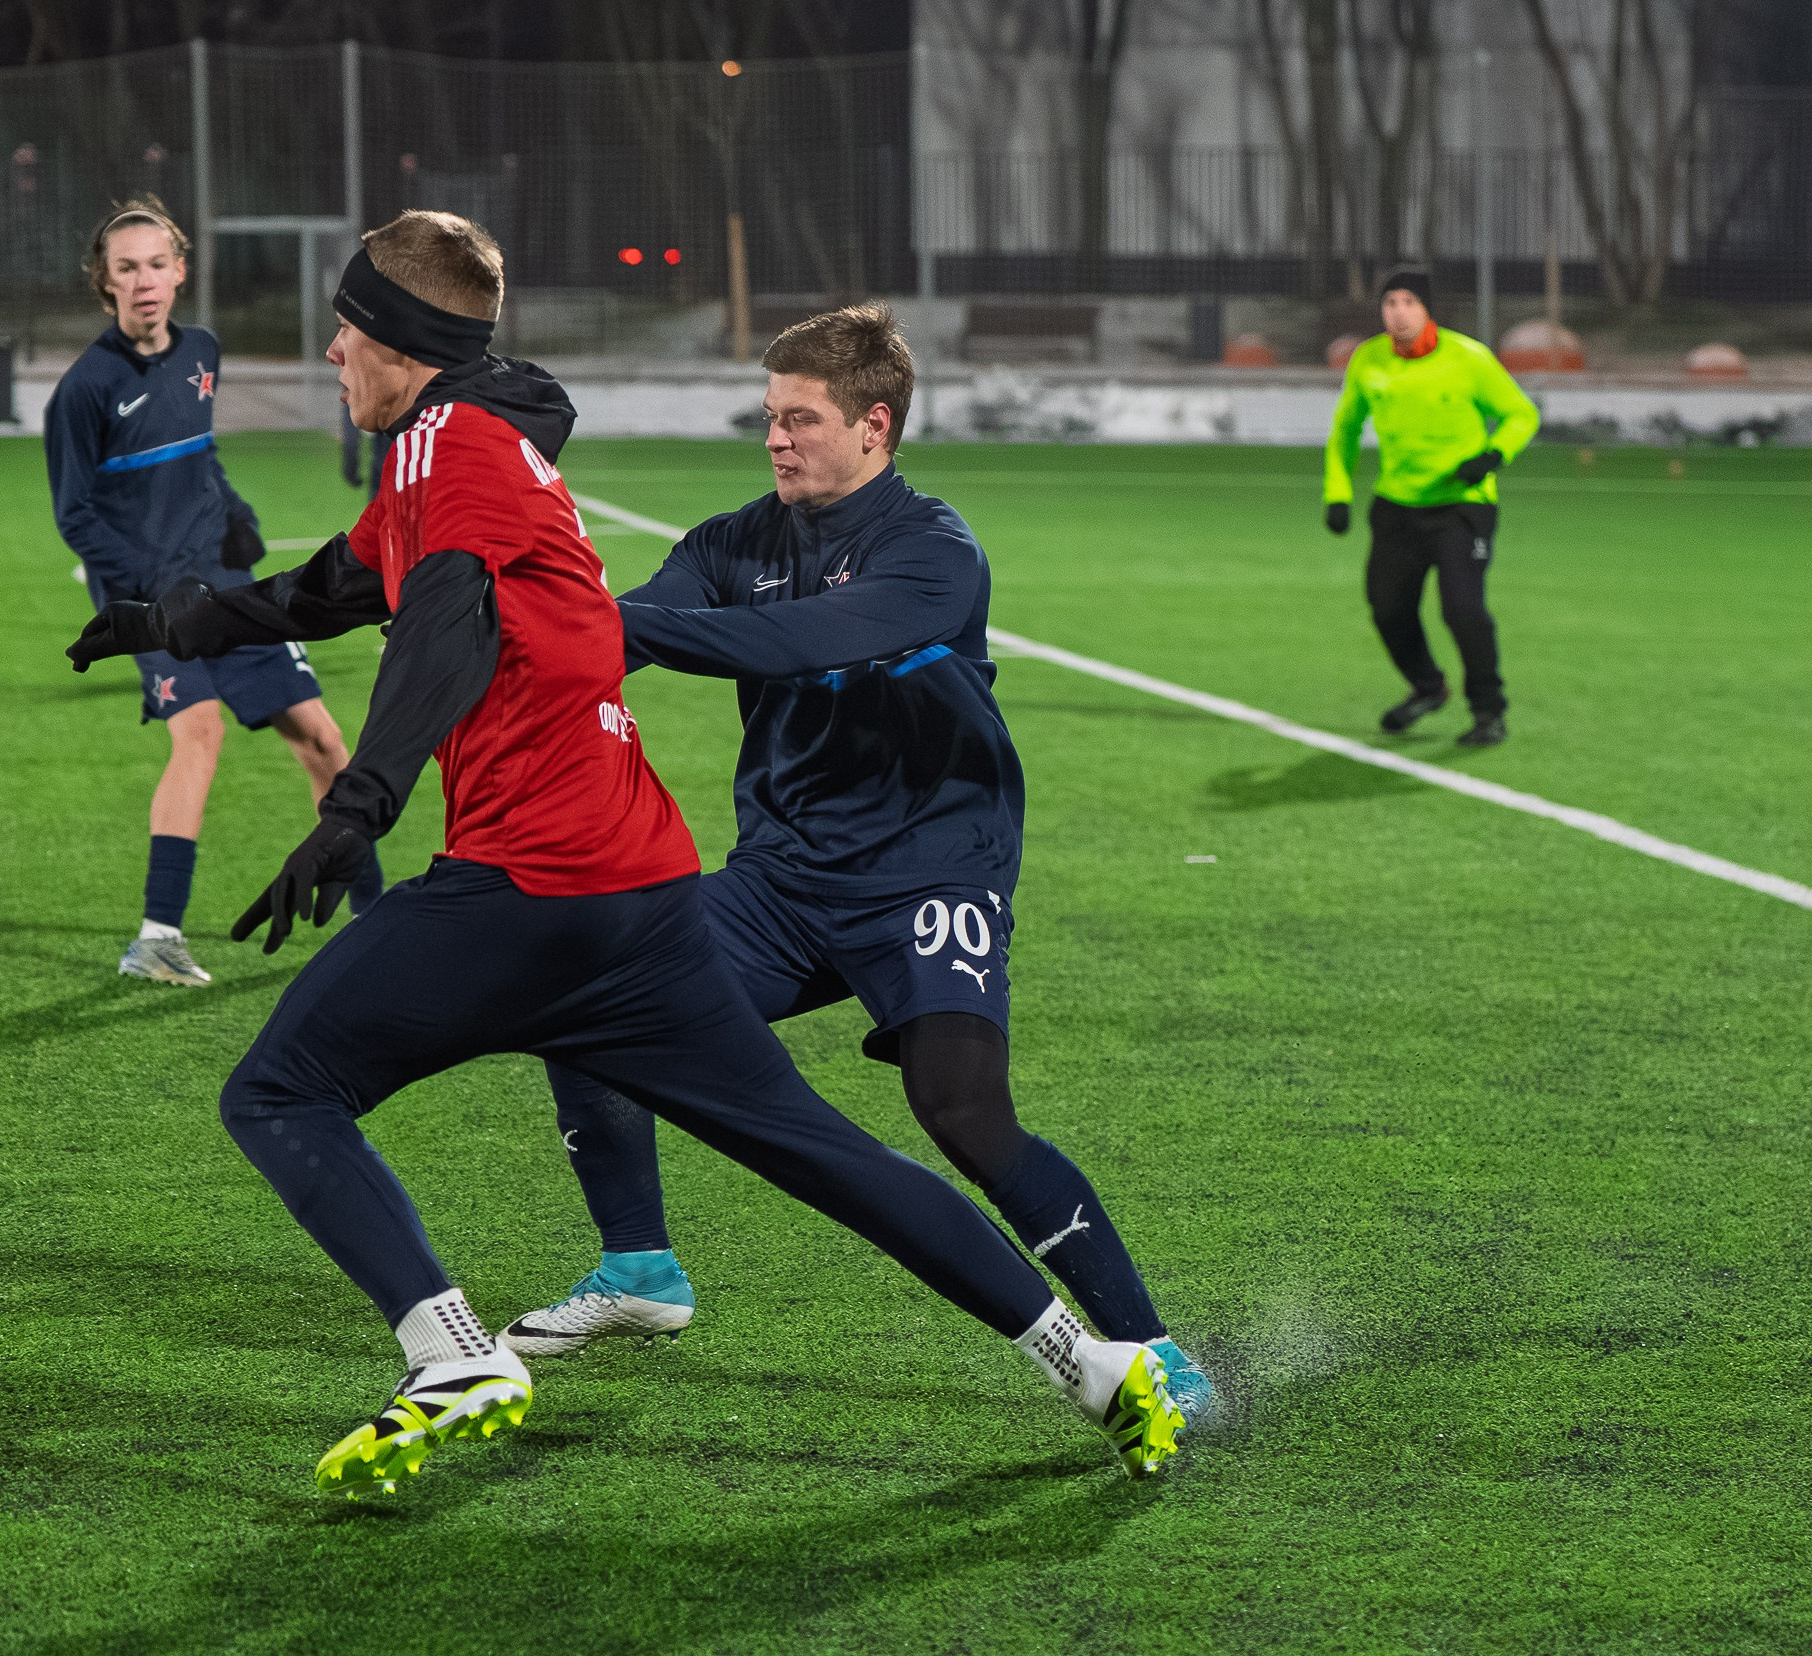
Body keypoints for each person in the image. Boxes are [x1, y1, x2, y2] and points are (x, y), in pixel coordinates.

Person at [68, 212, 1187, 1497]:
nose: (329, 353)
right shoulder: (496, 456)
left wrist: (359, 803)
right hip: (664, 883)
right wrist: (177, 619)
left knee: (280, 1091)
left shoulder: (457, 450)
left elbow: (444, 621)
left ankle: (455, 1356)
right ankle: (1088, 1364)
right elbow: (346, 584)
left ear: (401, 341)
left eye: (346, 331)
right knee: (816, 1149)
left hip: (670, 874)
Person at [495, 305, 1216, 1425]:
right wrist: (499, 628)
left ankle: (1154, 1349)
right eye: (769, 417)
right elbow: (633, 625)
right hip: (783, 881)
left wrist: (580, 622)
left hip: (931, 871)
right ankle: (640, 1268)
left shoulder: (932, 550)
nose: (775, 439)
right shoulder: (733, 543)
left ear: (874, 425)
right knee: (587, 987)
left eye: (801, 419)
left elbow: (800, 640)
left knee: (961, 1108)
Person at [46, 195, 381, 986]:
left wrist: (236, 511)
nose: (144, 281)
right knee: (199, 734)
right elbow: (75, 515)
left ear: (180, 271)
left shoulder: (202, 351)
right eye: (127, 268)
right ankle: (156, 939)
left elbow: (200, 453)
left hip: (226, 586)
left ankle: (377, 921)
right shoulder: (84, 389)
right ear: (104, 281)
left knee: (323, 740)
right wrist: (149, 593)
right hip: (152, 606)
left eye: (157, 264)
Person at [1323, 265, 1541, 748]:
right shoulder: (1369, 359)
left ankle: (1488, 710)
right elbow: (1345, 431)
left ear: (1427, 310)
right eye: (1390, 303)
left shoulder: (1468, 357)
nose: (1398, 313)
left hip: (1462, 507)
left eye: (1409, 303)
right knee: (1387, 610)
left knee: (1463, 610)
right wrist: (1337, 493)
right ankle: (1427, 687)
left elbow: (1521, 414)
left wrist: (1493, 456)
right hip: (1396, 507)